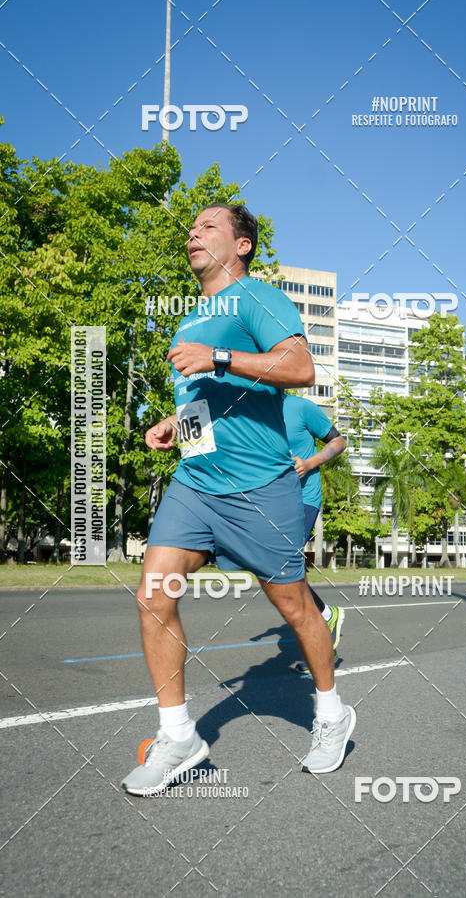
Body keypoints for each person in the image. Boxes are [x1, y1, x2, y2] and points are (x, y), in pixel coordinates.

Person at [121, 203, 355, 796]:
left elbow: (300, 367)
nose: (193, 234)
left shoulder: (256, 298)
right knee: (154, 595)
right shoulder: (187, 321)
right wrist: (175, 424)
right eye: (191, 228)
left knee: (296, 608)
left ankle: (331, 713)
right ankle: (178, 736)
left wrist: (219, 357)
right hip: (196, 483)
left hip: (260, 488)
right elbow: (203, 401)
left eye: (208, 227)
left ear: (242, 244)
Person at [282, 393, 347, 671]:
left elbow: (339, 441)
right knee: (281, 573)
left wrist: (309, 463)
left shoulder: (300, 407)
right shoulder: (252, 411)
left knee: (285, 566)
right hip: (271, 501)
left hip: (303, 499)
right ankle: (325, 617)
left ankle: (323, 621)